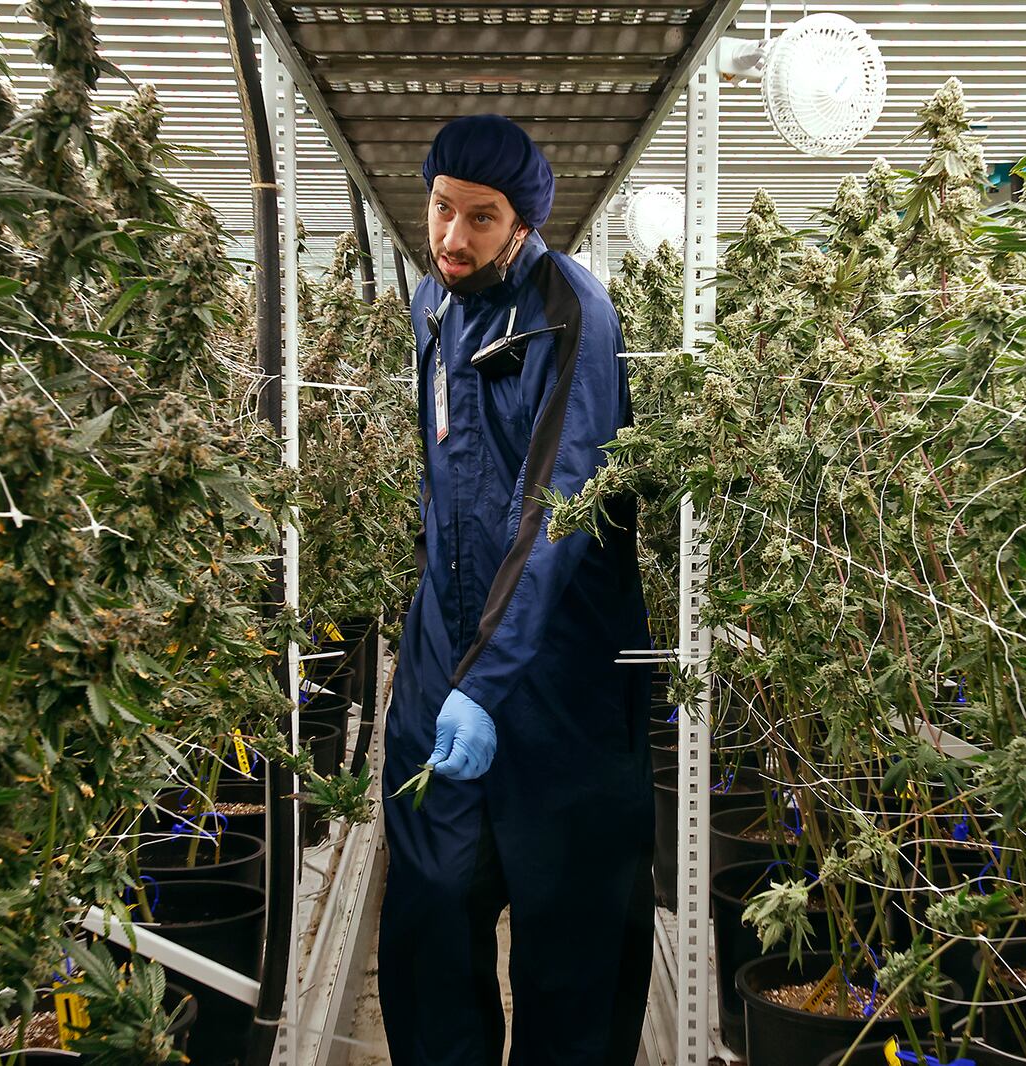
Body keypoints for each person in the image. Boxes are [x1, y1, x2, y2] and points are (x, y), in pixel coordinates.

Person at [377, 113, 654, 1066]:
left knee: (569, 927)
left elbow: (556, 506)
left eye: (480, 218)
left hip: (555, 669)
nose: (452, 238)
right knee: (429, 916)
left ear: (524, 223)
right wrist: (434, 663)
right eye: (442, 208)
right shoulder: (432, 306)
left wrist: (488, 678)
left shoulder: (569, 311)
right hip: (441, 650)